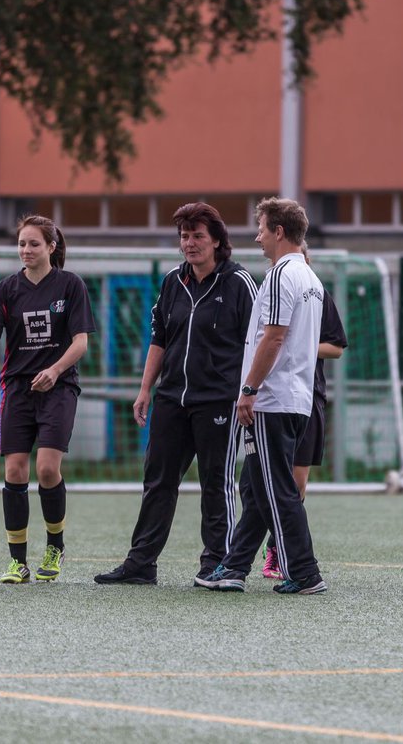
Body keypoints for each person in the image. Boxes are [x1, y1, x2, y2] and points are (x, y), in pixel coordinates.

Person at [94, 202, 256, 586]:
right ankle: (141, 564)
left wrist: (249, 393)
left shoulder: (240, 283)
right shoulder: (172, 282)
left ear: (216, 240)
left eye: (198, 236)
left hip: (219, 401)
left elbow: (257, 342)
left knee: (215, 483)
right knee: (158, 481)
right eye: (184, 236)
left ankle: (217, 563)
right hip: (171, 399)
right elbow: (159, 339)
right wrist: (144, 390)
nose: (190, 243)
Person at [197, 197, 327, 595]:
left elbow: (273, 337)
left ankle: (305, 572)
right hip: (296, 398)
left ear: (279, 232)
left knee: (276, 489)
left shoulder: (280, 275)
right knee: (255, 487)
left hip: (272, 399)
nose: (257, 237)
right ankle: (235, 566)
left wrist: (249, 390)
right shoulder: (311, 278)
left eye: (261, 228)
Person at [0, 215, 95, 584]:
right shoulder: (6, 289)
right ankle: (16, 561)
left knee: (47, 470)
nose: (26, 250)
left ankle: (55, 547)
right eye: (21, 244)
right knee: (15, 471)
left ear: (51, 247)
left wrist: (54, 371)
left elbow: (80, 342)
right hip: (17, 389)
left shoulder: (70, 286)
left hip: (58, 389)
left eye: (34, 243)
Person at [262, 248, 347, 581]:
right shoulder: (269, 289)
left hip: (307, 397)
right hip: (271, 398)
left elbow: (336, 346)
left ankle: (278, 551)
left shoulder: (316, 293)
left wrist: (299, 344)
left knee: (295, 484)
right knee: (261, 482)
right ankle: (266, 550)